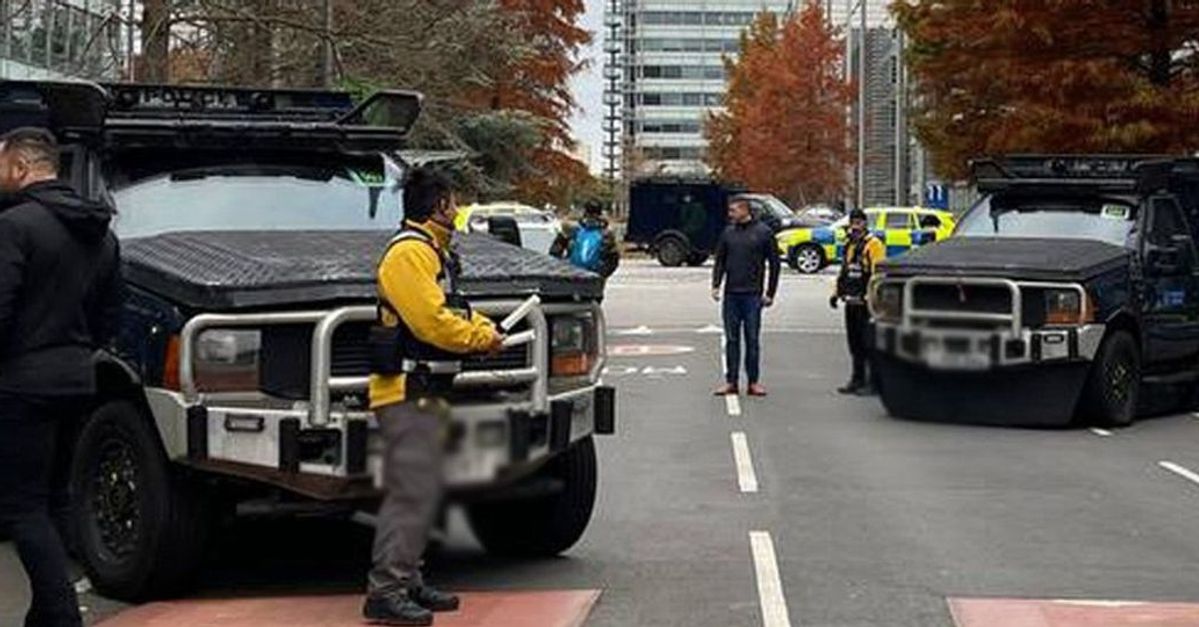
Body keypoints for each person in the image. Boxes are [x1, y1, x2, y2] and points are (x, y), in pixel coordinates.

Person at [365, 166, 505, 626]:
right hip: (406, 389)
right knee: (411, 491)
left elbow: (452, 309)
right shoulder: (409, 254)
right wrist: (478, 338)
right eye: (453, 202)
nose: (459, 209)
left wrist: (483, 327)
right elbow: (431, 322)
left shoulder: (431, 253)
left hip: (426, 389)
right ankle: (386, 590)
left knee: (424, 490)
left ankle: (407, 578)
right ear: (438, 206)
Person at [0, 127, 122, 627]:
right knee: (57, 498)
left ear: (20, 167)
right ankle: (48, 610)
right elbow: (110, 314)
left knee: (20, 508)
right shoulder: (102, 233)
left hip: (22, 384)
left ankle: (60, 612)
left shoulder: (15, 226)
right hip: (78, 378)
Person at [711, 197, 781, 397]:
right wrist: (716, 285)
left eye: (733, 210)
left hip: (753, 295)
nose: (730, 214)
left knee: (752, 338)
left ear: (744, 210)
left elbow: (774, 265)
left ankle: (753, 381)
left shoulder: (764, 233)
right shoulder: (728, 233)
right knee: (732, 339)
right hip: (731, 294)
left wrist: (770, 293)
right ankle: (731, 381)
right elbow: (720, 261)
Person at [830, 208, 885, 395]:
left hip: (866, 303)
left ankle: (873, 383)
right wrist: (836, 293)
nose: (855, 226)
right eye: (853, 222)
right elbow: (845, 272)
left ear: (865, 224)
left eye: (859, 222)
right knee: (854, 344)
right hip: (851, 302)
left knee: (868, 343)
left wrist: (871, 295)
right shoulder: (850, 245)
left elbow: (878, 273)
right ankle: (857, 378)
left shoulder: (874, 244)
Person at [551, 200, 620, 278]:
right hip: (582, 274)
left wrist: (601, 274)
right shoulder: (605, 234)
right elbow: (613, 259)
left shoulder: (573, 230)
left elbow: (555, 250)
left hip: (581, 274)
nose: (592, 217)